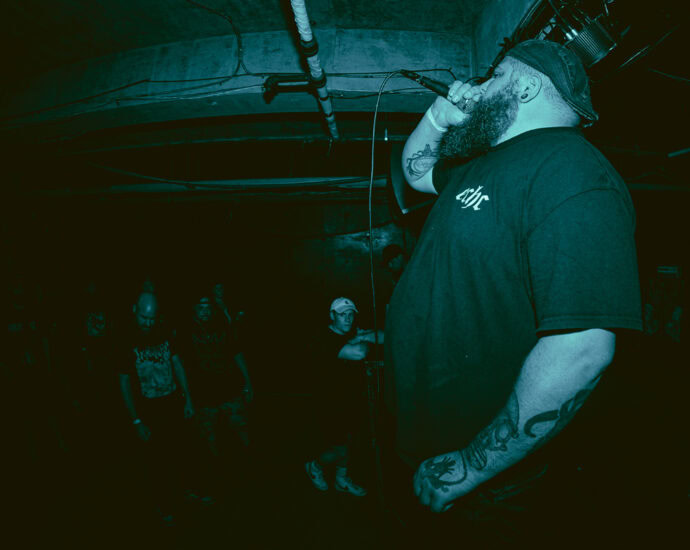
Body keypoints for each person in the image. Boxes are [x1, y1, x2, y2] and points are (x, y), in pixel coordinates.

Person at [385, 39, 642, 544]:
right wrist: (439, 116)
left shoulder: (572, 171)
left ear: (524, 88)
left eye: (495, 75)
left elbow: (583, 349)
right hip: (427, 435)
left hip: (483, 477)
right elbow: (415, 173)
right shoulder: (485, 162)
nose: (479, 87)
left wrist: (470, 466)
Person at [118, 290, 195, 523]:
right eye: (144, 317)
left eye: (152, 318)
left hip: (172, 403)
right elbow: (124, 382)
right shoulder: (125, 338)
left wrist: (188, 398)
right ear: (134, 310)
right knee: (156, 461)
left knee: (182, 451)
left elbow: (177, 363)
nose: (148, 323)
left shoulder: (164, 331)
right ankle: (163, 506)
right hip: (148, 411)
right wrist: (136, 420)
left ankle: (186, 492)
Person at [178, 287, 254, 499]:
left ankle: (249, 472)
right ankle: (215, 479)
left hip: (229, 389)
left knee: (242, 429)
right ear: (193, 308)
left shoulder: (222, 325)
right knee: (208, 438)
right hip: (203, 395)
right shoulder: (185, 331)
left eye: (208, 306)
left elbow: (237, 352)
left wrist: (248, 383)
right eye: (200, 306)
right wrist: (186, 397)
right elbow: (179, 364)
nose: (204, 310)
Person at [304, 297, 384, 497]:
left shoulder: (350, 332)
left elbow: (384, 336)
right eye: (342, 315)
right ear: (332, 315)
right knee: (340, 450)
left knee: (348, 443)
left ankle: (341, 479)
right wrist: (364, 338)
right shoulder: (323, 337)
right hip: (331, 404)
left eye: (351, 314)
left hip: (351, 401)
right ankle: (314, 466)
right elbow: (359, 353)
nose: (348, 319)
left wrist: (363, 335)